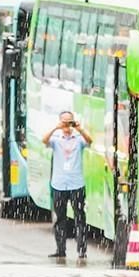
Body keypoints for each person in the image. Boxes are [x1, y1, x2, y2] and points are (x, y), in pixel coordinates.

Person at [42, 111, 93, 260]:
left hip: (76, 184)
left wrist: (79, 128)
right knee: (60, 218)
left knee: (79, 218)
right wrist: (55, 128)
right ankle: (60, 249)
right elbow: (44, 141)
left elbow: (90, 141)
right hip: (59, 184)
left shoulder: (78, 139)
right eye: (64, 122)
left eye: (69, 122)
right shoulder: (56, 139)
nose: (67, 125)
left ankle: (82, 250)